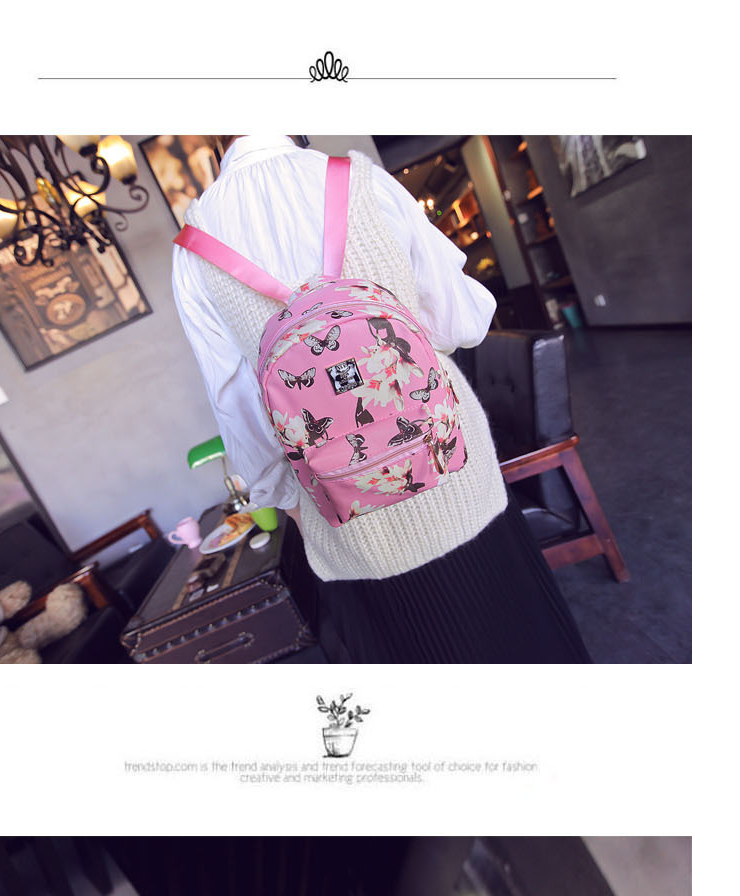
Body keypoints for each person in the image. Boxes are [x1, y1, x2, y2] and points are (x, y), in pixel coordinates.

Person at [171, 136, 589, 665]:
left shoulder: (193, 250)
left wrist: (294, 507)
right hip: (458, 478)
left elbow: (239, 412)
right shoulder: (362, 179)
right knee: (527, 641)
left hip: (353, 532)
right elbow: (462, 320)